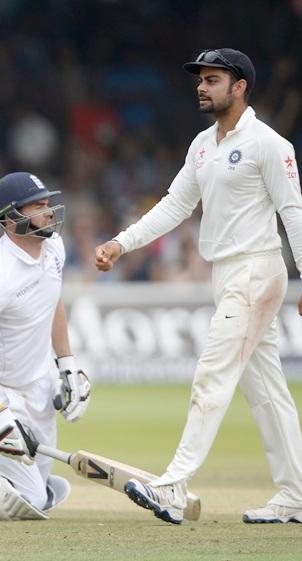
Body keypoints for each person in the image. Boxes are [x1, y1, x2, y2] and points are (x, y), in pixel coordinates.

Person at [95, 48, 302, 525]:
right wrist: (121, 244)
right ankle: (293, 494)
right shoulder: (203, 145)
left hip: (255, 270)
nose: (202, 87)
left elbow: (292, 213)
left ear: (240, 86)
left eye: (212, 80)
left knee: (211, 376)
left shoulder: (270, 144)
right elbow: (175, 205)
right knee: (268, 392)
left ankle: (172, 485)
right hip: (226, 274)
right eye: (201, 80)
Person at [0, 172, 91, 520]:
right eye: (39, 206)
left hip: (38, 385)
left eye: (48, 204)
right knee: (30, 500)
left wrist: (68, 364)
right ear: (10, 217)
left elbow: (52, 301)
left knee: (43, 491)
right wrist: (0, 416)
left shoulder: (54, 247)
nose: (49, 212)